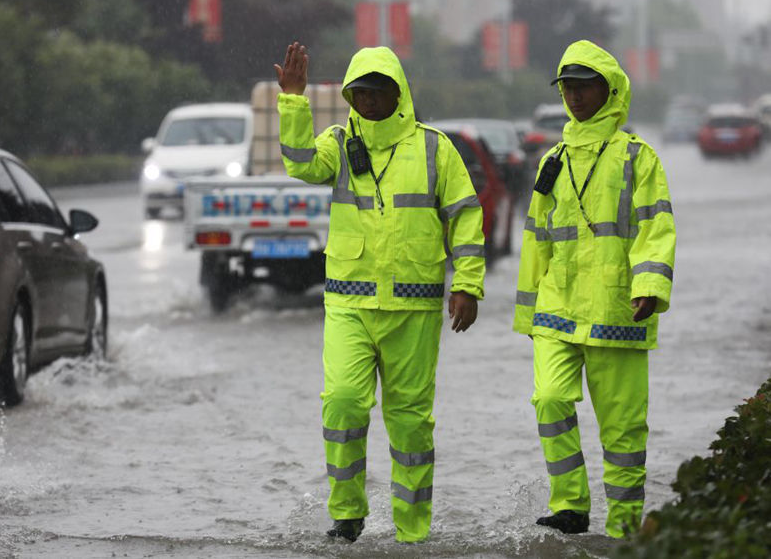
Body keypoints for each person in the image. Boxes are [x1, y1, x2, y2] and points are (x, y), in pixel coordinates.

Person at [275, 42, 486, 543]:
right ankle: (346, 515)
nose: (368, 101)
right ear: (350, 97)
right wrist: (293, 101)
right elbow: (301, 164)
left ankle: (413, 532)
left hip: (414, 308)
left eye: (377, 91)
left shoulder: (435, 147)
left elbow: (465, 216)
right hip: (349, 302)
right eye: (359, 93)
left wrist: (468, 285)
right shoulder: (337, 141)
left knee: (411, 425)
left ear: (399, 93)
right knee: (343, 403)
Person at [513, 40, 676, 538]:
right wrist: (527, 313)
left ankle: (625, 529)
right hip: (557, 309)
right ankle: (571, 505)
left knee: (623, 431)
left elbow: (656, 227)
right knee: (549, 400)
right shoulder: (553, 159)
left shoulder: (637, 158)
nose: (575, 96)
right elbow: (536, 236)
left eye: (585, 86)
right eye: (568, 87)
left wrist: (649, 286)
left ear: (611, 90)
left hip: (617, 309)